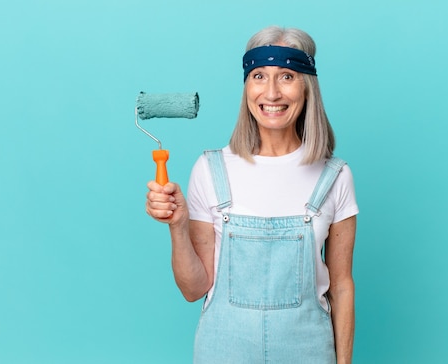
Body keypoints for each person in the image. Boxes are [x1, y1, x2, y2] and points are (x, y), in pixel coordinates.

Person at [146, 26, 358, 364]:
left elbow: (342, 285)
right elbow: (193, 289)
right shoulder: (210, 170)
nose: (271, 93)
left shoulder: (335, 176)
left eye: (287, 76)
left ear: (308, 88)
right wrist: (178, 224)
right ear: (247, 87)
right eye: (259, 75)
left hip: (309, 351)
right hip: (223, 350)